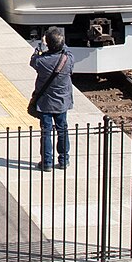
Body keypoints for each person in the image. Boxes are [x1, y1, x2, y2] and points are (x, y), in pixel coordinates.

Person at [28, 27, 74, 170]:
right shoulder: (68, 59)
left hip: (45, 103)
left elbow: (33, 59)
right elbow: (66, 50)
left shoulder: (42, 62)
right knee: (62, 129)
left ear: (48, 44)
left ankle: (47, 162)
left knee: (46, 132)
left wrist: (41, 45)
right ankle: (64, 160)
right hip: (62, 102)